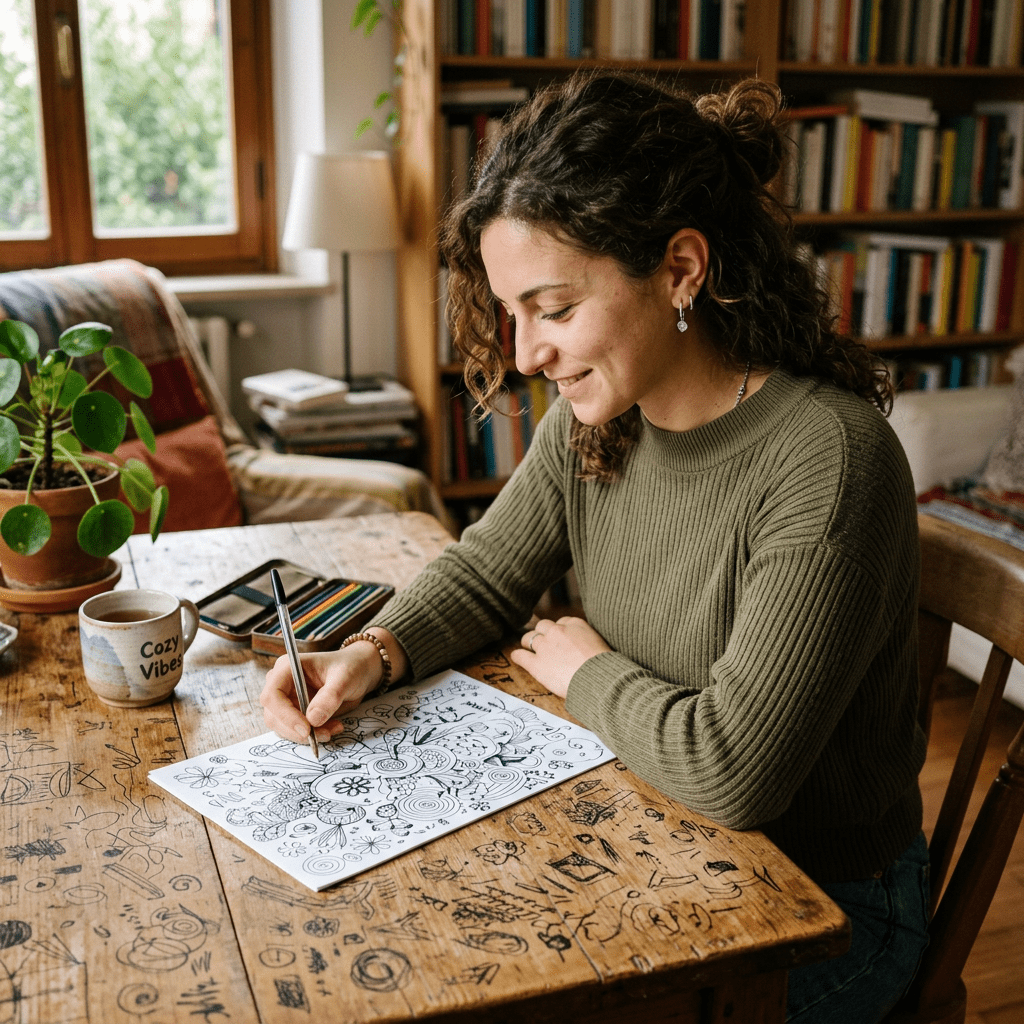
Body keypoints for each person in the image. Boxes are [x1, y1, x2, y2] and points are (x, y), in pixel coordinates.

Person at [261, 71, 929, 1023]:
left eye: (555, 308)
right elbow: (491, 570)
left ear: (681, 270)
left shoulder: (828, 461)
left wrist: (586, 673)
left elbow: (733, 770)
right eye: (512, 312)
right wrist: (370, 654)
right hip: (654, 843)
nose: (526, 352)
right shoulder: (599, 420)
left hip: (824, 909)